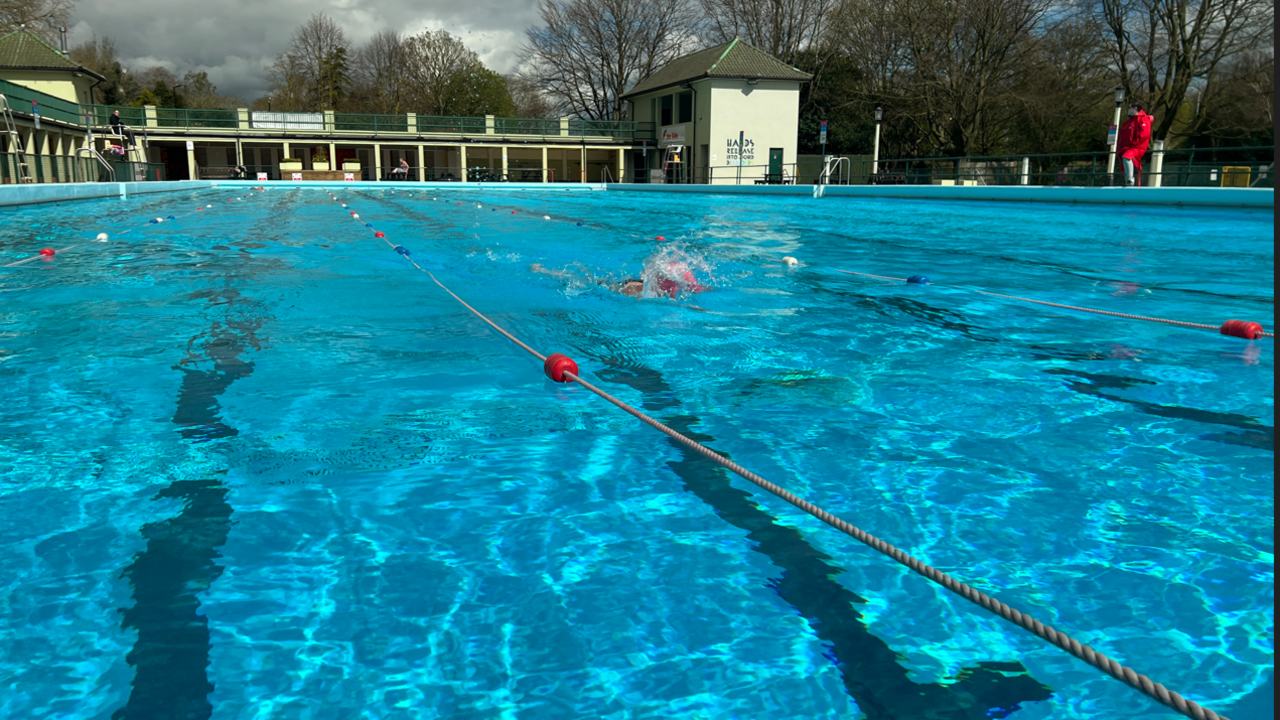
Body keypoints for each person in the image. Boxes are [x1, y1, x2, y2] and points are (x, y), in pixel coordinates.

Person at [1116, 101, 1152, 186]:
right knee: (1127, 165)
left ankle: (1130, 179)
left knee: (1127, 158)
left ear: (1135, 108)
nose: (1128, 110)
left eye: (1129, 108)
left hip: (1136, 147)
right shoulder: (1128, 122)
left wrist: (1135, 144)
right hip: (1126, 148)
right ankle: (1129, 183)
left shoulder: (1143, 119)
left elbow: (1144, 134)